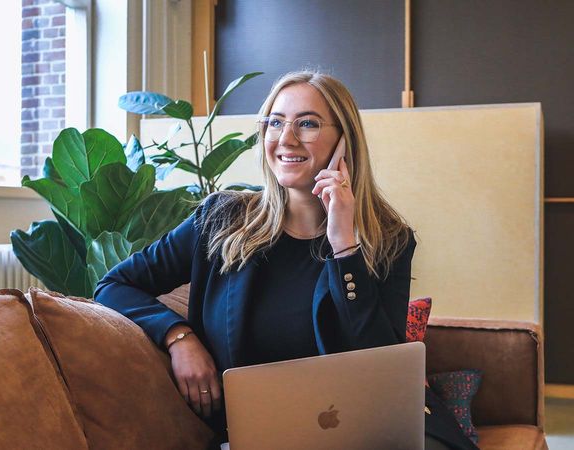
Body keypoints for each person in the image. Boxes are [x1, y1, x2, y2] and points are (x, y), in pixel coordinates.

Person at [94, 71, 477, 450]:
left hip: (373, 433)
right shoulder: (221, 220)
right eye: (275, 122)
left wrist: (345, 248)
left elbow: (383, 368)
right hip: (261, 435)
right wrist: (179, 337)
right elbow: (113, 285)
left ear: (345, 141)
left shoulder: (388, 239)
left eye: (307, 123)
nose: (286, 138)